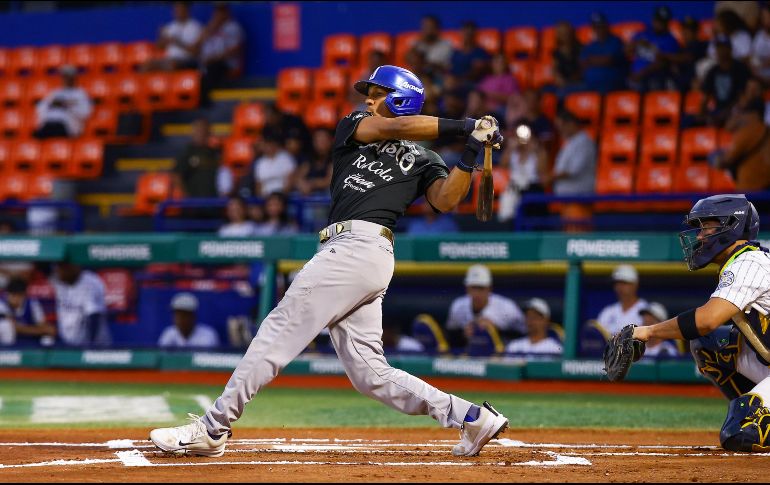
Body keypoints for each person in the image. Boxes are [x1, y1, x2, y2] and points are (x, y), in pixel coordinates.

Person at [150, 64, 509, 458]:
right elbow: (395, 130)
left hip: (363, 248)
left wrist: (473, 150)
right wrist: (467, 125)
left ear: (401, 97)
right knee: (371, 375)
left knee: (278, 329)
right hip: (351, 253)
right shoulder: (356, 125)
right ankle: (471, 417)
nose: (368, 100)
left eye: (376, 93)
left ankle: (212, 428)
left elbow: (446, 199)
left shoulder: (426, 158)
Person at [622, 194, 770, 452]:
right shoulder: (745, 260)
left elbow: (706, 320)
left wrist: (646, 331)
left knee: (741, 433)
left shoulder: (750, 262)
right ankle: (758, 402)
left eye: (707, 227)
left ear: (731, 225)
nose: (700, 236)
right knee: (708, 345)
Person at [445, 264, 525, 348]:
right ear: (467, 288)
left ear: (489, 288)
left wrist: (495, 330)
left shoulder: (506, 307)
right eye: (473, 288)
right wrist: (462, 334)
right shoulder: (458, 306)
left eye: (481, 288)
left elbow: (525, 336)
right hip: (471, 354)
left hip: (503, 355)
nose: (477, 293)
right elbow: (449, 337)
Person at [711, 97, 770, 191]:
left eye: (743, 112)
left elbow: (724, 161)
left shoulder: (747, 132)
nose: (740, 116)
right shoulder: (766, 129)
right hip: (765, 188)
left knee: (713, 156)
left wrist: (716, 158)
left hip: (752, 190)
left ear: (753, 114)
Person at [51, 262, 110, 347]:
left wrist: (90, 346)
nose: (58, 271)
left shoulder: (91, 282)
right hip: (68, 344)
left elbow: (94, 316)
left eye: (61, 268)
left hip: (95, 346)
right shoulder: (58, 281)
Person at [197, 2, 244, 106]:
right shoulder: (211, 27)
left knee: (211, 69)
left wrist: (214, 58)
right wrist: (209, 29)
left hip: (228, 65)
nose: (219, 14)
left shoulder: (233, 27)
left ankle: (204, 103)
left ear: (227, 12)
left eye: (222, 11)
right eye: (217, 11)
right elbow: (197, 45)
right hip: (210, 63)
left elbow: (235, 50)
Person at [700, 35, 753, 128]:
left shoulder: (740, 68)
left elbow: (742, 98)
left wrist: (725, 112)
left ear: (730, 49)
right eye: (718, 48)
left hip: (736, 110)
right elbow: (705, 97)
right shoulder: (713, 71)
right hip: (718, 110)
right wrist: (702, 114)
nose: (720, 51)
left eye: (723, 47)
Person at [173, 118, 232, 199]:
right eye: (198, 130)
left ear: (208, 132)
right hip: (194, 203)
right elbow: (177, 176)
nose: (200, 133)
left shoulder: (215, 152)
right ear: (193, 132)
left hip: (213, 202)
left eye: (203, 130)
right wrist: (187, 198)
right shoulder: (187, 152)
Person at [626, 5, 680, 92]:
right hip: (633, 75)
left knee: (654, 82)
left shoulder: (671, 40)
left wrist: (640, 74)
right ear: (653, 20)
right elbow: (626, 50)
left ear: (667, 23)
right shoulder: (643, 34)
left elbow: (662, 63)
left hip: (651, 77)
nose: (660, 24)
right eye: (658, 20)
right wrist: (637, 43)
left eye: (663, 22)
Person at [33, 65, 92, 139]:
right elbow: (41, 108)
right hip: (49, 123)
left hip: (67, 125)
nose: (65, 79)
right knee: (36, 136)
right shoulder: (55, 93)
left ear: (73, 77)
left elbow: (85, 113)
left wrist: (65, 105)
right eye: (64, 76)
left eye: (67, 76)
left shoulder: (80, 94)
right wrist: (53, 105)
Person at [144, 1, 202, 72]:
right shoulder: (170, 27)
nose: (176, 10)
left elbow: (195, 51)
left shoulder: (195, 27)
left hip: (187, 60)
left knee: (171, 64)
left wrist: (176, 41)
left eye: (179, 8)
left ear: (186, 9)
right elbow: (158, 47)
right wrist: (161, 38)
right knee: (147, 64)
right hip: (169, 59)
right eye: (175, 8)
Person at [579, 12, 628, 94]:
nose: (599, 29)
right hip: (590, 85)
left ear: (606, 26)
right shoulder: (590, 45)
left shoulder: (615, 41)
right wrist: (598, 60)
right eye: (596, 27)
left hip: (612, 84)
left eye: (601, 26)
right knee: (564, 92)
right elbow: (582, 63)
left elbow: (609, 60)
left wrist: (591, 60)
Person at [595, 264, 648, 335]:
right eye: (617, 283)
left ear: (635, 284)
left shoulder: (647, 311)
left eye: (624, 283)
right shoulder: (608, 312)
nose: (619, 287)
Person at [0, 277, 54, 347]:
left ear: (24, 295)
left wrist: (23, 329)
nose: (16, 299)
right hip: (8, 342)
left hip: (29, 341)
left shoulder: (32, 303)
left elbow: (44, 327)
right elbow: (12, 327)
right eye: (13, 295)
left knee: (48, 337)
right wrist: (36, 330)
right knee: (5, 326)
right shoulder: (1, 303)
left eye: (19, 296)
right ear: (7, 294)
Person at [668, 16, 709, 92]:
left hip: (694, 81)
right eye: (684, 29)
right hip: (680, 82)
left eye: (689, 30)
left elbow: (688, 57)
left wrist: (664, 56)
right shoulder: (680, 49)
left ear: (696, 32)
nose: (685, 32)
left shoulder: (701, 45)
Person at [252, 131, 297, 198]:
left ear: (275, 144)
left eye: (270, 144)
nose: (268, 147)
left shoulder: (286, 158)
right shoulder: (260, 163)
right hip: (266, 198)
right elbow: (258, 185)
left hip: (283, 197)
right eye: (266, 144)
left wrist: (280, 197)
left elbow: (291, 180)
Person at [449, 21, 491, 89]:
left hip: (471, 85)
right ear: (460, 33)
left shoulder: (480, 53)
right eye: (464, 33)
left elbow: (476, 74)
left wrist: (459, 80)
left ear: (474, 35)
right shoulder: (455, 53)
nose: (467, 36)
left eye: (469, 34)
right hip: (453, 83)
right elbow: (450, 69)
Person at [552, 21, 583, 94]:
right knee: (545, 91)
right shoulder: (556, 53)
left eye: (566, 32)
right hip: (563, 84)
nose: (564, 35)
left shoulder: (581, 49)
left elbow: (583, 70)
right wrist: (559, 79)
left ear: (571, 33)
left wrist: (568, 82)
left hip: (578, 83)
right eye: (560, 32)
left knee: (561, 93)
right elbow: (555, 71)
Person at [751, 3, 770, 85]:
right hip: (759, 73)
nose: (763, 19)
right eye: (762, 17)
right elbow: (753, 54)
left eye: (766, 17)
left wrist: (762, 65)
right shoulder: (759, 35)